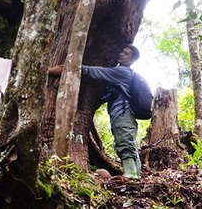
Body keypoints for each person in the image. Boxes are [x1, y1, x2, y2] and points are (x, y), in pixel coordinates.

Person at [48, 45, 142, 179]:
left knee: (124, 142)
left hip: (123, 113)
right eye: (122, 51)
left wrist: (69, 68)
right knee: (128, 142)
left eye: (126, 54)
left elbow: (96, 72)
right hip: (125, 113)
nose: (121, 54)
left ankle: (131, 175)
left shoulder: (123, 72)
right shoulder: (125, 74)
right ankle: (135, 174)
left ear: (132, 60)